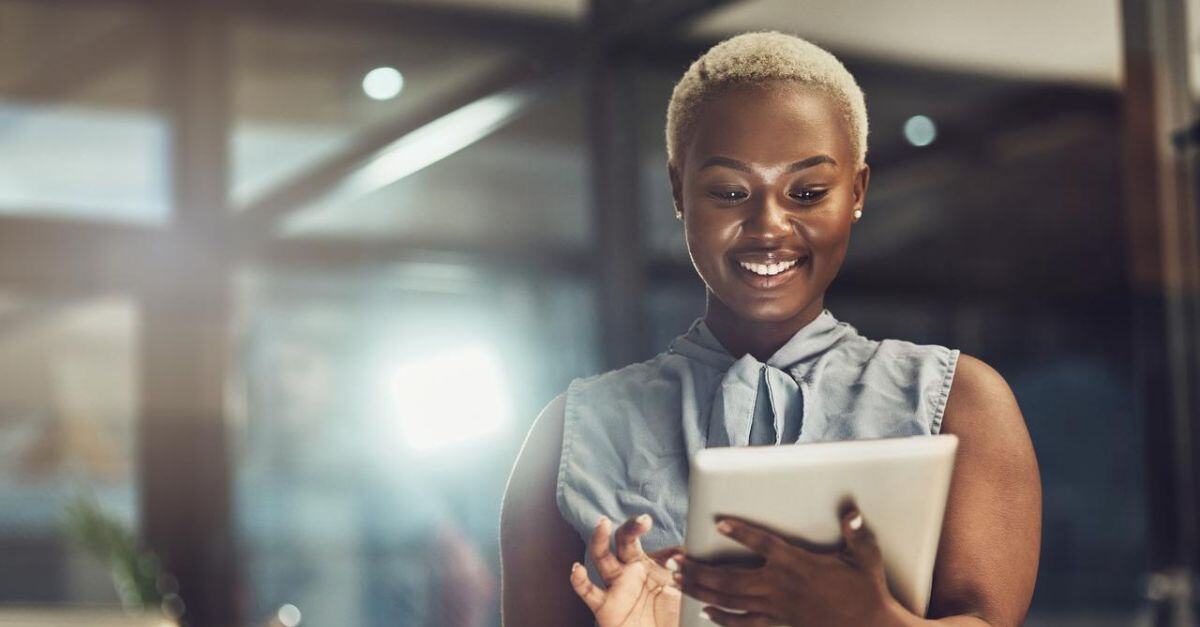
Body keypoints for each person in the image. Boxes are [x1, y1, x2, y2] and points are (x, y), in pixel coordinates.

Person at [501, 31, 1040, 627]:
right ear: (680, 191)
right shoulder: (570, 434)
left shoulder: (961, 401)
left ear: (856, 191)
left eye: (807, 193)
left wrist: (871, 619)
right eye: (731, 192)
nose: (768, 226)